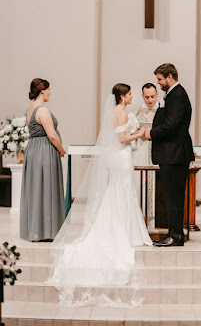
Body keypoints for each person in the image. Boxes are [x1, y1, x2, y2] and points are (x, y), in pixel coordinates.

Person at [49, 83, 152, 307]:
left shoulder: (114, 112)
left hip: (118, 158)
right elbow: (121, 139)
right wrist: (139, 133)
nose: (132, 96)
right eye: (130, 94)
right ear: (123, 96)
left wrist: (132, 134)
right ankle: (126, 231)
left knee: (118, 191)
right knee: (123, 190)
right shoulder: (122, 112)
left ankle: (123, 227)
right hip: (122, 157)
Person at [145, 63, 195, 247]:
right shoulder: (173, 94)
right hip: (171, 154)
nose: (158, 83)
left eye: (160, 79)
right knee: (171, 197)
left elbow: (171, 124)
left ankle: (175, 235)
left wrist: (151, 132)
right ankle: (173, 233)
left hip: (175, 154)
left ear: (170, 77)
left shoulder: (177, 95)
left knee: (174, 198)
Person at [20, 78, 66, 242]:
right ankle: (48, 230)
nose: (50, 92)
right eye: (48, 89)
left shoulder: (30, 109)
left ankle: (36, 229)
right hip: (44, 151)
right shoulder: (42, 110)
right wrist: (61, 150)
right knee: (47, 186)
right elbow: (52, 135)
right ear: (42, 91)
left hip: (33, 149)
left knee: (36, 188)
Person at [129, 83, 158, 227]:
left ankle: (153, 221)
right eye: (147, 97)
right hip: (140, 152)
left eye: (152, 96)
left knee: (155, 187)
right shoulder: (135, 114)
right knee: (139, 184)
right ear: (142, 97)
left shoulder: (162, 113)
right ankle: (138, 222)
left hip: (157, 152)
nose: (150, 100)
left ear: (157, 95)